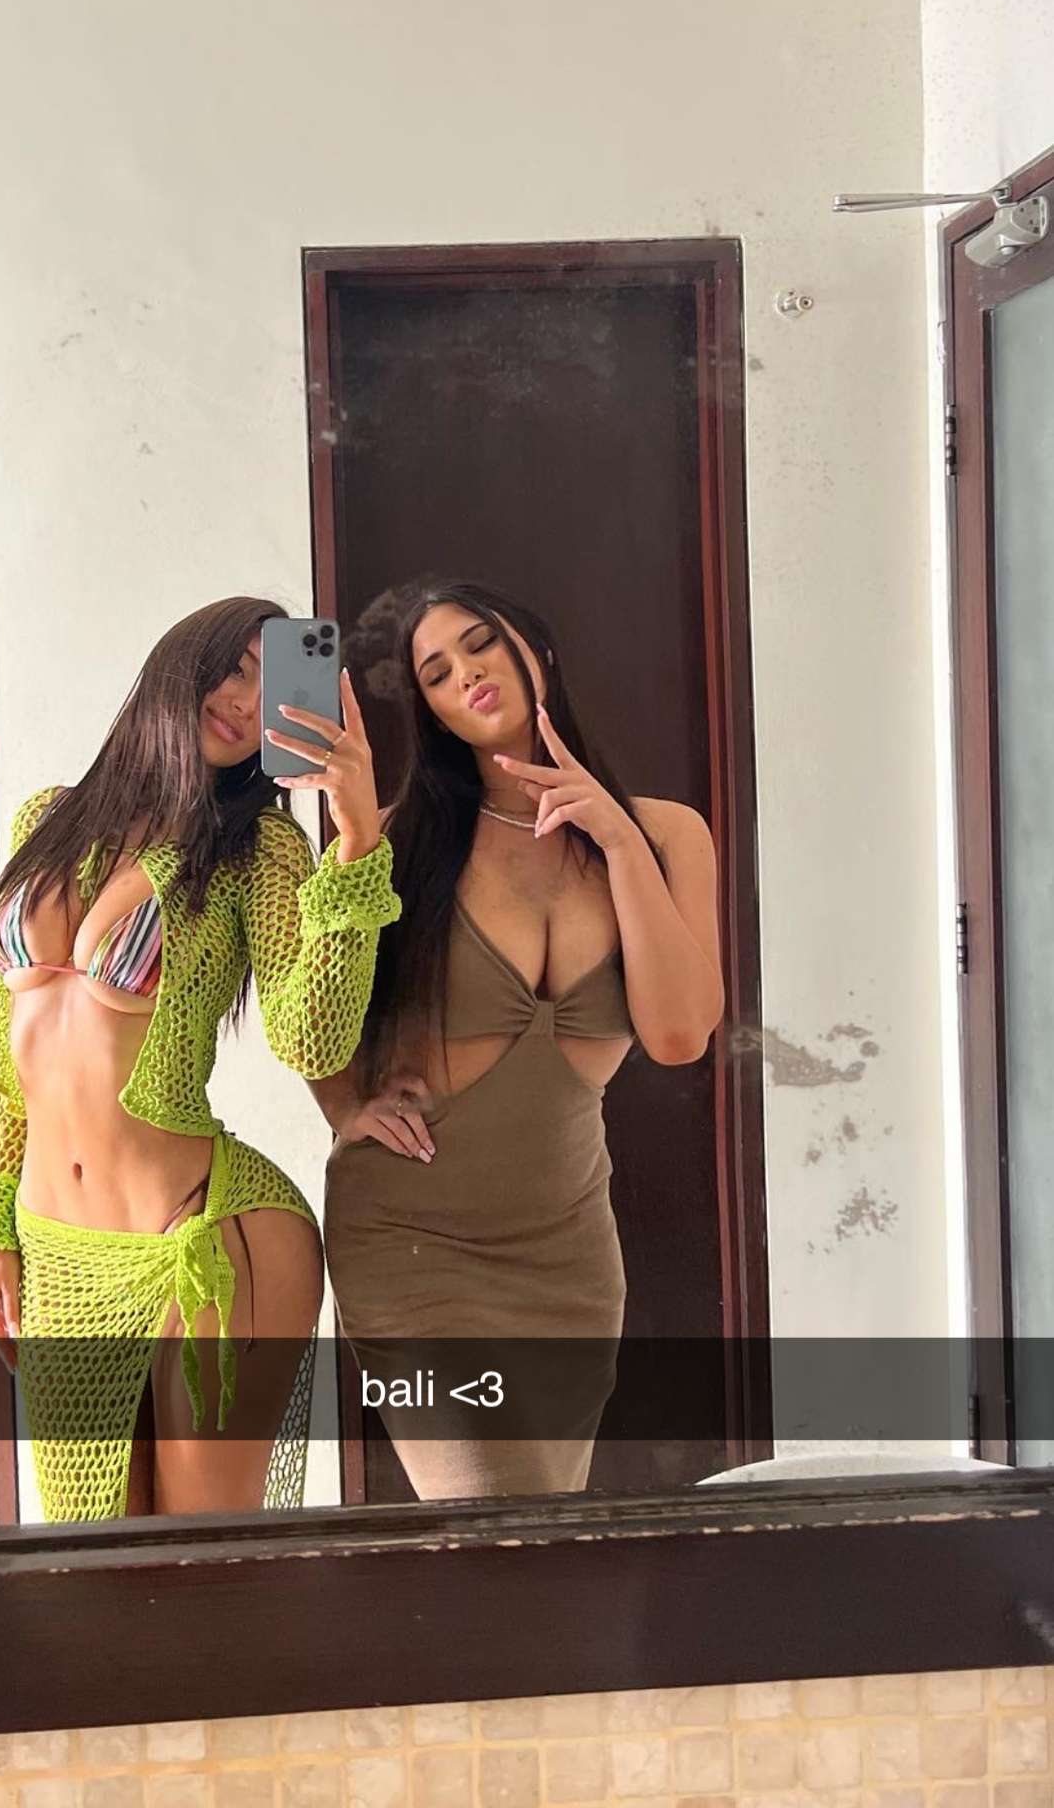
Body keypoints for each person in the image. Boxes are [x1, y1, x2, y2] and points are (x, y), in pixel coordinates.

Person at [0, 596, 398, 1523]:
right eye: (234, 667)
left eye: (273, 687)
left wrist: (355, 843)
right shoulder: (47, 818)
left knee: (205, 1561)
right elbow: (7, 1068)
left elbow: (310, 1038)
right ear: (181, 662)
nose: (244, 700)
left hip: (200, 1237)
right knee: (91, 1554)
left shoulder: (257, 849)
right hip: (57, 1250)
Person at [318, 580, 723, 1501]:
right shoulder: (395, 840)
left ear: (535, 649)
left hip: (567, 1257)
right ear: (431, 711)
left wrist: (618, 842)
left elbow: (678, 1036)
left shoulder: (667, 836)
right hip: (410, 1250)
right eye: (436, 674)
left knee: (539, 1545)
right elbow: (316, 1010)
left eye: (479, 644)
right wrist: (344, 1107)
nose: (465, 674)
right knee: (496, 1528)